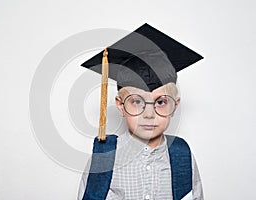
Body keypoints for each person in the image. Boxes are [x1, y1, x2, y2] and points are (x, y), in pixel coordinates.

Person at [78, 23, 204, 200]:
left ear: (174, 106)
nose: (149, 114)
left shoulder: (182, 154)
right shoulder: (105, 158)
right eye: (137, 101)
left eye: (160, 102)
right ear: (121, 106)